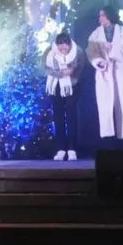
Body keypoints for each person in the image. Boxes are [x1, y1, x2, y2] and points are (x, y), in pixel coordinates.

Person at [88, 8, 123, 146]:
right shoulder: (96, 33)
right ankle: (108, 137)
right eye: (99, 15)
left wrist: (112, 50)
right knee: (105, 102)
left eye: (102, 15)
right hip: (105, 71)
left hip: (120, 70)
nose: (100, 18)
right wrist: (98, 61)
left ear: (109, 16)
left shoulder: (122, 32)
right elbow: (91, 51)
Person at [43, 32, 84, 161]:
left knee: (71, 116)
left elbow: (81, 67)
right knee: (58, 116)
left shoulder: (78, 51)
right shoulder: (49, 52)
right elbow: (44, 67)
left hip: (72, 86)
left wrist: (71, 72)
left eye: (65, 46)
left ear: (69, 44)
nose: (63, 49)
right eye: (60, 46)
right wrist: (60, 73)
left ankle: (72, 149)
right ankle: (60, 148)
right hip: (55, 86)